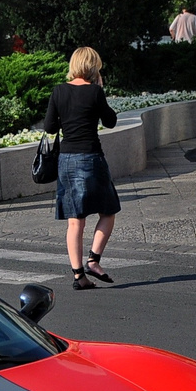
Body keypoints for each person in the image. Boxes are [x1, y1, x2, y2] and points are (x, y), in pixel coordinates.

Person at [42, 47, 120, 291]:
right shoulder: (95, 92)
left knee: (75, 222)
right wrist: (100, 91)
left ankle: (78, 276)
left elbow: (50, 127)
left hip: (66, 160)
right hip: (91, 158)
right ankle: (94, 260)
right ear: (93, 67)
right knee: (108, 211)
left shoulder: (58, 91)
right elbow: (110, 121)